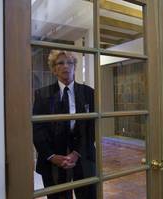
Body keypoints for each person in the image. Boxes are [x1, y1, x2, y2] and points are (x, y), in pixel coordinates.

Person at [33, 50, 96, 199]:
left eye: (70, 62)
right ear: (54, 69)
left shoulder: (89, 93)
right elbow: (37, 129)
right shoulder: (42, 94)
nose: (66, 66)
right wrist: (52, 156)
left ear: (75, 67)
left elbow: (92, 126)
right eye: (60, 63)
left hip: (83, 159)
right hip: (53, 163)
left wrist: (75, 153)